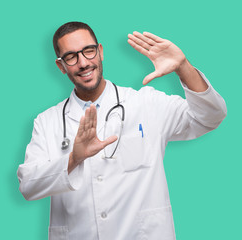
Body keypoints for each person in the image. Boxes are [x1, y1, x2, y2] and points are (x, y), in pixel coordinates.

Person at [17, 21, 227, 240]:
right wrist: (74, 158)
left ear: (100, 52)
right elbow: (28, 185)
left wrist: (184, 67)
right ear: (61, 66)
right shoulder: (47, 122)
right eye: (71, 57)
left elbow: (211, 117)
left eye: (88, 51)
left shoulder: (146, 103)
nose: (83, 63)